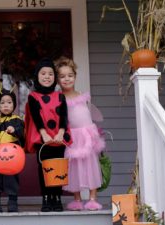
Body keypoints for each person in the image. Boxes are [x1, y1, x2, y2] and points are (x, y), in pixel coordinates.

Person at [55, 56, 105, 211]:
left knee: (91, 165)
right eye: (62, 76)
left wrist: (95, 133)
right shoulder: (59, 98)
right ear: (57, 80)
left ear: (75, 77)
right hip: (72, 136)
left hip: (87, 135)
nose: (67, 79)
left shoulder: (82, 95)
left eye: (70, 75)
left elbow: (89, 115)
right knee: (74, 166)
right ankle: (77, 199)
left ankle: (92, 198)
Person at [24, 58, 72, 212]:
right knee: (45, 168)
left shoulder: (59, 96)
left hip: (58, 136)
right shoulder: (33, 97)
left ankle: (57, 197)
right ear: (37, 76)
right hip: (43, 137)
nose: (47, 76)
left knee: (58, 168)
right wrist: (43, 133)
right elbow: (36, 116)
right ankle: (46, 197)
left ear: (54, 78)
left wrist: (61, 132)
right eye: (43, 73)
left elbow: (64, 115)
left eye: (50, 74)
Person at [0, 84, 24, 213]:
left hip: (13, 157)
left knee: (11, 178)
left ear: (14, 105)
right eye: (2, 103)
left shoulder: (17, 120)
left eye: (9, 102)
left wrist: (14, 130)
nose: (6, 105)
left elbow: (21, 132)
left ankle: (12, 201)